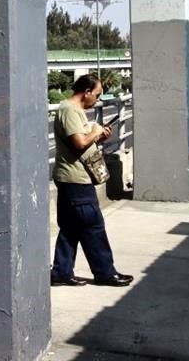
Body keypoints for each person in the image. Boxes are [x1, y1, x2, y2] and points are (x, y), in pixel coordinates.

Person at [50, 75, 134, 287]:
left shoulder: (74, 111)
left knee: (70, 227)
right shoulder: (69, 110)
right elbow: (79, 143)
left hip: (70, 178)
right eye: (96, 95)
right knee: (93, 225)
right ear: (86, 92)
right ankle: (105, 272)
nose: (97, 101)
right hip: (76, 179)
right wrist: (96, 133)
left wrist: (99, 136)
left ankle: (61, 272)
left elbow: (82, 141)